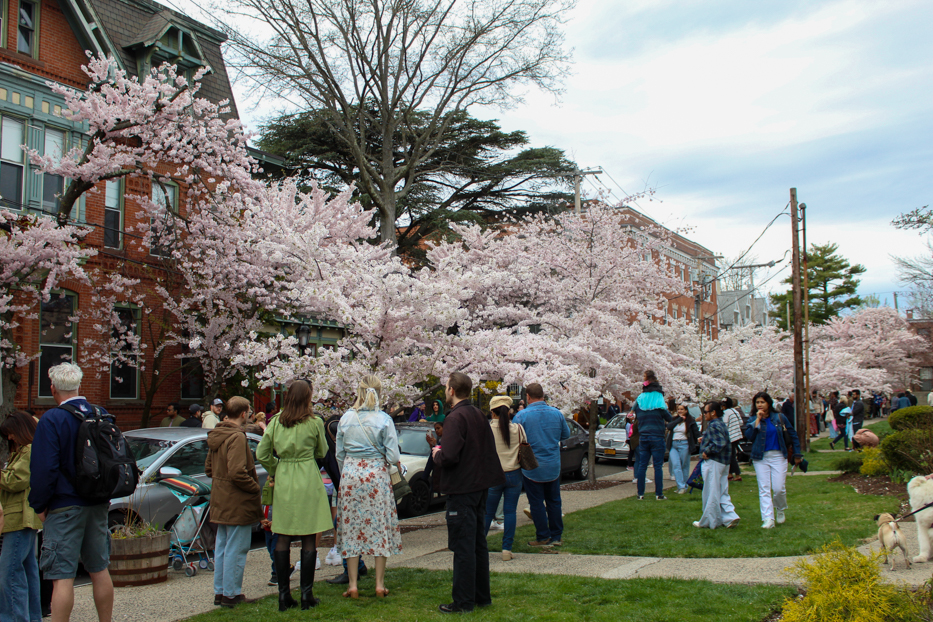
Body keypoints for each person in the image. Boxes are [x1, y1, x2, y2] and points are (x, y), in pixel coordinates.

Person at [28, 363, 113, 622]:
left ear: (53, 388)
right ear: (79, 386)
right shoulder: (102, 414)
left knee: (61, 577)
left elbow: (44, 469)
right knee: (100, 570)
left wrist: (39, 505)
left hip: (64, 506)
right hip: (97, 503)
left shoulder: (51, 419)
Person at [431, 372, 504, 613]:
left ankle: (463, 601)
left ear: (451, 391)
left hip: (462, 488)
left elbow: (450, 456)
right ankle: (481, 596)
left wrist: (437, 454)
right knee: (477, 544)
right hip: (479, 485)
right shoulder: (477, 414)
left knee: (463, 546)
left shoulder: (455, 417)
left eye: (446, 387)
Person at [257, 380, 331, 610]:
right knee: (309, 534)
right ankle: (306, 595)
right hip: (307, 475)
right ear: (308, 397)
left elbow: (261, 452)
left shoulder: (277, 421)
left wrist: (275, 467)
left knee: (283, 534)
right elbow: (322, 451)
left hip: (286, 476)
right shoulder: (315, 422)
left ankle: (283, 594)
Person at [335, 375, 403, 600]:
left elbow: (339, 454)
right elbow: (393, 456)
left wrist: (351, 468)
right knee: (379, 526)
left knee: (352, 528)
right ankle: (379, 584)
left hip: (352, 476)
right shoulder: (384, 419)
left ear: (359, 391)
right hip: (376, 477)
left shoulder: (345, 418)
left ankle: (353, 585)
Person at [205, 396, 262, 608]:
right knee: (236, 548)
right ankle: (231, 593)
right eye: (249, 411)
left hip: (220, 497)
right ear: (243, 413)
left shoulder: (216, 434)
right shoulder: (236, 437)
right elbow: (237, 471)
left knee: (222, 546)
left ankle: (220, 591)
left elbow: (209, 469)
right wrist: (254, 488)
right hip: (237, 499)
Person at [513, 383, 569, 546]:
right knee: (554, 501)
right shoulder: (556, 414)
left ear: (528, 397)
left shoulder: (521, 416)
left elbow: (515, 440)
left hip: (532, 467)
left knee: (536, 502)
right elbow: (565, 434)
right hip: (552, 464)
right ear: (543, 395)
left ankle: (543, 535)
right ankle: (557, 535)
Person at [0, 411, 42, 621]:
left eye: (10, 433)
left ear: (19, 430)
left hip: (19, 519)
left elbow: (16, 480)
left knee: (9, 572)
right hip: (24, 518)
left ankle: (13, 617)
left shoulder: (28, 450)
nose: (9, 438)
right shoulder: (28, 450)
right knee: (28, 571)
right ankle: (33, 616)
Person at [745, 391, 801, 529]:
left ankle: (780, 508)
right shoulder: (752, 419)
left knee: (778, 488)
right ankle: (768, 518)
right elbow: (749, 436)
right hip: (761, 457)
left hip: (778, 456)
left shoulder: (779, 417)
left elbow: (792, 434)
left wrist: (798, 453)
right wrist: (757, 421)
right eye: (757, 402)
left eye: (762, 402)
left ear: (768, 403)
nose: (760, 405)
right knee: (764, 488)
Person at [483, 396, 523, 560]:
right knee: (510, 512)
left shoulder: (487, 430)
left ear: (493, 412)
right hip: (514, 473)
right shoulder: (518, 429)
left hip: (494, 475)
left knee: (487, 513)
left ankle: (479, 545)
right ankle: (507, 549)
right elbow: (524, 445)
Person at [693, 401, 740, 529]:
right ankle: (730, 516)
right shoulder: (721, 423)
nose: (704, 414)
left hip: (714, 461)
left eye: (706, 412)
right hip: (724, 462)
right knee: (722, 490)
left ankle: (710, 521)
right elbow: (721, 439)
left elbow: (720, 442)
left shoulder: (713, 425)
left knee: (711, 491)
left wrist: (706, 451)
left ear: (713, 412)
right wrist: (706, 439)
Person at [632, 370, 672, 500]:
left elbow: (635, 413)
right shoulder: (659, 402)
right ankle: (658, 494)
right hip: (657, 436)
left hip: (643, 436)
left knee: (642, 465)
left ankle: (640, 494)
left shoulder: (640, 401)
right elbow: (669, 418)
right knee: (658, 466)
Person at [666, 403, 700, 494]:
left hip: (684, 444)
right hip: (674, 444)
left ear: (686, 410)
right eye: (679, 409)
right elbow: (669, 427)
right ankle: (680, 486)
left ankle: (684, 486)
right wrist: (679, 420)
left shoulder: (690, 420)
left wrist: (699, 438)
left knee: (684, 465)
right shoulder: (675, 419)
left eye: (682, 409)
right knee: (676, 465)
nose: (680, 411)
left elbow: (695, 431)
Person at [721, 398, 744, 482]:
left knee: (731, 456)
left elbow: (725, 425)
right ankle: (730, 474)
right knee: (731, 455)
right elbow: (741, 422)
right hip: (737, 435)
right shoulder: (735, 411)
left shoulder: (726, 413)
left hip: (730, 437)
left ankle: (737, 474)